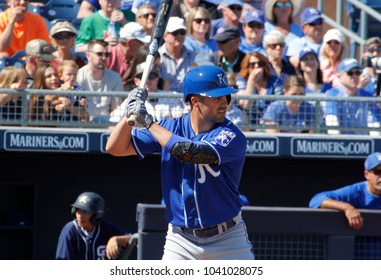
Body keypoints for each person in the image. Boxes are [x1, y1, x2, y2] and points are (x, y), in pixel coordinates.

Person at [106, 65, 255, 260]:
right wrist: (130, 112)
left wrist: (149, 123)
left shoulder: (231, 135)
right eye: (215, 96)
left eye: (225, 95)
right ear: (195, 101)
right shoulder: (170, 127)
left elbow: (189, 153)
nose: (224, 102)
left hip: (227, 239)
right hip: (181, 240)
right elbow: (115, 148)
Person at [309, 152, 381, 230]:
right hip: (362, 241)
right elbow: (316, 200)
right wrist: (347, 208)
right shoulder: (357, 191)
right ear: (367, 175)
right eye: (378, 172)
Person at [56, 191, 131, 260]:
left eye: (84, 212)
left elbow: (133, 239)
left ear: (96, 215)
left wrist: (116, 239)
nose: (80, 215)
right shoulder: (70, 230)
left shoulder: (104, 227)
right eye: (78, 210)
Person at [110, 62, 188, 123]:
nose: (147, 81)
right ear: (136, 81)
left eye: (151, 76)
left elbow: (179, 123)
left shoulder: (171, 96)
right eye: (143, 77)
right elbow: (112, 122)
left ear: (157, 79)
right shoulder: (131, 100)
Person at [324, 58, 380, 135]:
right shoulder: (332, 94)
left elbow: (374, 124)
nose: (354, 76)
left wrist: (374, 143)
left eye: (357, 73)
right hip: (341, 143)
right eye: (350, 73)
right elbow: (332, 124)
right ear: (339, 76)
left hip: (364, 143)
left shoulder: (368, 96)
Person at [77, 40, 124, 123]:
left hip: (107, 123)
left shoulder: (114, 77)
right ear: (88, 55)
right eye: (99, 54)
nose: (104, 58)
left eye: (107, 54)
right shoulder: (78, 76)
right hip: (83, 123)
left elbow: (116, 108)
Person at [236, 51, 283, 125]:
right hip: (249, 124)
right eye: (252, 64)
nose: (256, 66)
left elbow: (280, 103)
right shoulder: (241, 80)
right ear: (247, 66)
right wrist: (251, 81)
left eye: (260, 64)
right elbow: (245, 105)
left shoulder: (275, 81)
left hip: (270, 123)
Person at [158, 17, 196, 93]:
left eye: (182, 32)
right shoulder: (157, 56)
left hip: (187, 101)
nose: (179, 36)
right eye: (175, 33)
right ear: (165, 36)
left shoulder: (193, 56)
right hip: (162, 101)